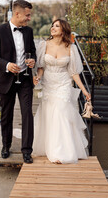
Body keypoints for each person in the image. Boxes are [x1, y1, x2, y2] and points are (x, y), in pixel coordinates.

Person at [33, 19, 91, 164]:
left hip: (64, 84)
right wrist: (38, 78)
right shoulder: (44, 45)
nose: (53, 27)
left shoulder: (71, 48)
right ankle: (50, 146)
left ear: (63, 30)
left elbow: (74, 73)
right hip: (49, 84)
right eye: (52, 25)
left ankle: (61, 151)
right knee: (49, 115)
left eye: (57, 26)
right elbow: (41, 67)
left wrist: (84, 90)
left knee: (62, 113)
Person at [0, 0, 36, 163]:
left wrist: (32, 61)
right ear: (17, 14)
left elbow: (33, 52)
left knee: (27, 113)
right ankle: (5, 146)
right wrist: (7, 65)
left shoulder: (29, 32)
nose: (29, 18)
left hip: (25, 79)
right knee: (6, 115)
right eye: (27, 15)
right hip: (5, 79)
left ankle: (27, 151)